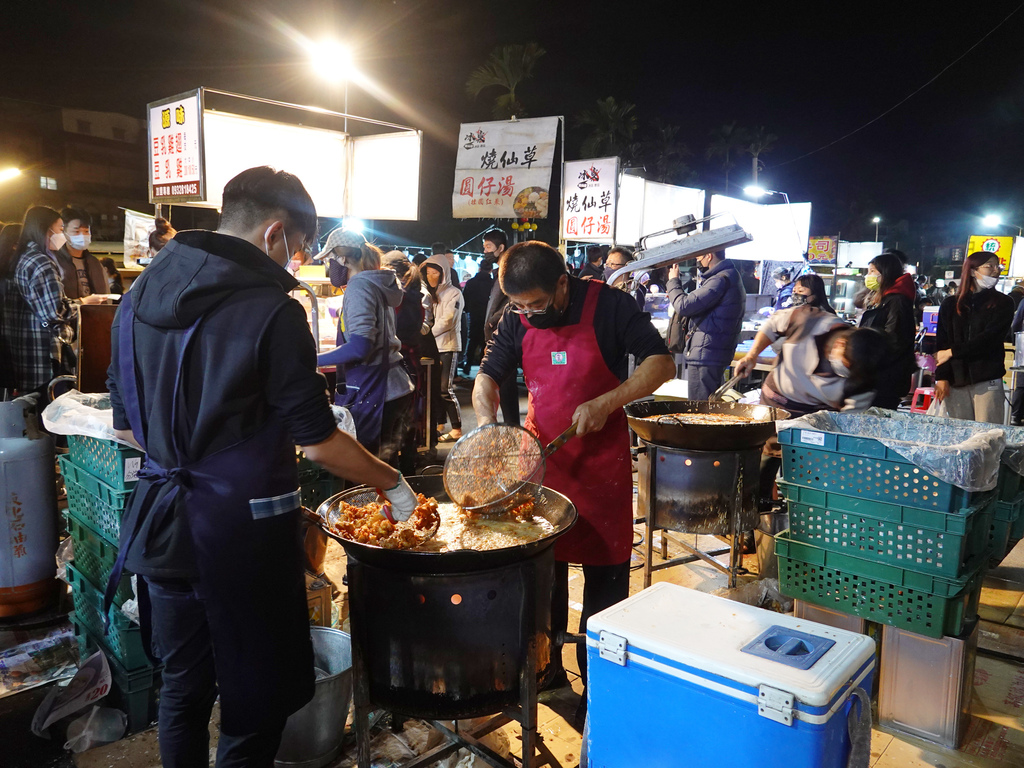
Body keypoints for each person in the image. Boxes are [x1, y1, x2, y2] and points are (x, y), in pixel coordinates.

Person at [105, 166, 418, 767]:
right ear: (276, 233)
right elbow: (320, 443)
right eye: (301, 248)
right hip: (240, 542)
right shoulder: (272, 311)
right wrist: (391, 481)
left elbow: (126, 427)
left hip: (162, 529)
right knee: (257, 705)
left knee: (182, 692)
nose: (299, 262)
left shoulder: (137, 297)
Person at [473, 240, 674, 721]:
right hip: (546, 467)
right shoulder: (515, 316)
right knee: (546, 582)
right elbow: (488, 376)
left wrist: (607, 402)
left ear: (563, 283)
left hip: (601, 471)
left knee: (604, 589)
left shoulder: (609, 305)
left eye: (536, 304)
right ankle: (548, 672)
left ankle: (598, 689)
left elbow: (660, 363)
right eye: (519, 306)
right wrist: (484, 422)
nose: (528, 314)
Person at [317, 242, 414, 465]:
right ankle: (399, 501)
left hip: (377, 390)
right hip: (392, 386)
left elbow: (361, 347)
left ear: (343, 260)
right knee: (386, 464)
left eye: (330, 261)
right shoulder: (376, 282)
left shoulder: (360, 286)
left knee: (372, 467)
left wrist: (313, 359)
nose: (329, 268)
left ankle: (387, 501)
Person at [0, 206, 75, 397]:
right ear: (45, 229)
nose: (62, 235)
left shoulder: (18, 258)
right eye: (59, 229)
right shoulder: (40, 262)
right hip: (42, 356)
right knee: (49, 414)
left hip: (20, 353)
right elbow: (54, 311)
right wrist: (79, 306)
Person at [934, 251, 1015, 423]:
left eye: (997, 266)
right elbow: (941, 343)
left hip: (987, 378)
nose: (996, 270)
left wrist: (952, 352)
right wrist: (941, 377)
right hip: (956, 380)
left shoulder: (1004, 303)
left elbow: (990, 338)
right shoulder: (950, 304)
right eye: (989, 266)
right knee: (959, 434)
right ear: (972, 271)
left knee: (987, 435)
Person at [666, 250, 745, 399]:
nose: (698, 263)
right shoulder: (728, 276)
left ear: (709, 256)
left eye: (699, 258)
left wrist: (673, 282)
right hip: (712, 351)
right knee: (709, 404)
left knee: (700, 409)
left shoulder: (720, 280)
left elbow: (684, 306)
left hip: (706, 353)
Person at [858, 251, 917, 409]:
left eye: (872, 272)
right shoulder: (880, 298)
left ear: (886, 273)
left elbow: (895, 340)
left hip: (885, 377)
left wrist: (869, 360)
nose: (868, 276)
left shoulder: (897, 300)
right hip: (874, 374)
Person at [481, 228, 521, 425]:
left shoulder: (510, 270)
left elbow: (513, 300)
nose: (485, 251)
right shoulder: (498, 271)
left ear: (501, 247)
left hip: (505, 333)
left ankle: (512, 426)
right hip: (496, 332)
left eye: (488, 247)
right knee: (504, 383)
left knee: (506, 383)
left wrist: (494, 318)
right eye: (484, 247)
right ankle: (510, 425)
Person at [423, 254, 465, 441]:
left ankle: (456, 427)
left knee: (445, 388)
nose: (431, 276)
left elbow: (448, 320)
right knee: (433, 388)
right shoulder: (429, 294)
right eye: (428, 273)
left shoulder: (454, 293)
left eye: (435, 273)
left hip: (448, 346)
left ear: (443, 274)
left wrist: (426, 334)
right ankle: (440, 424)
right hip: (432, 347)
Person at [55, 207, 107, 301]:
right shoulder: (55, 262)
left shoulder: (95, 263)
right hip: (71, 314)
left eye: (86, 231)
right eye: (76, 231)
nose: (82, 236)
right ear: (64, 232)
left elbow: (106, 295)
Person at [461, 258, 494, 374]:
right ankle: (483, 366)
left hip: (474, 315)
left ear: (479, 268)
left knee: (472, 340)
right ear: (490, 270)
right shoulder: (492, 284)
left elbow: (464, 300)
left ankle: (468, 364)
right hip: (488, 316)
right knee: (486, 341)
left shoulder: (471, 283)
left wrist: (468, 310)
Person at [604, 246, 646, 310]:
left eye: (612, 264)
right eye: (607, 264)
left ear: (626, 267)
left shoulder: (633, 290)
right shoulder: (606, 290)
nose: (608, 268)